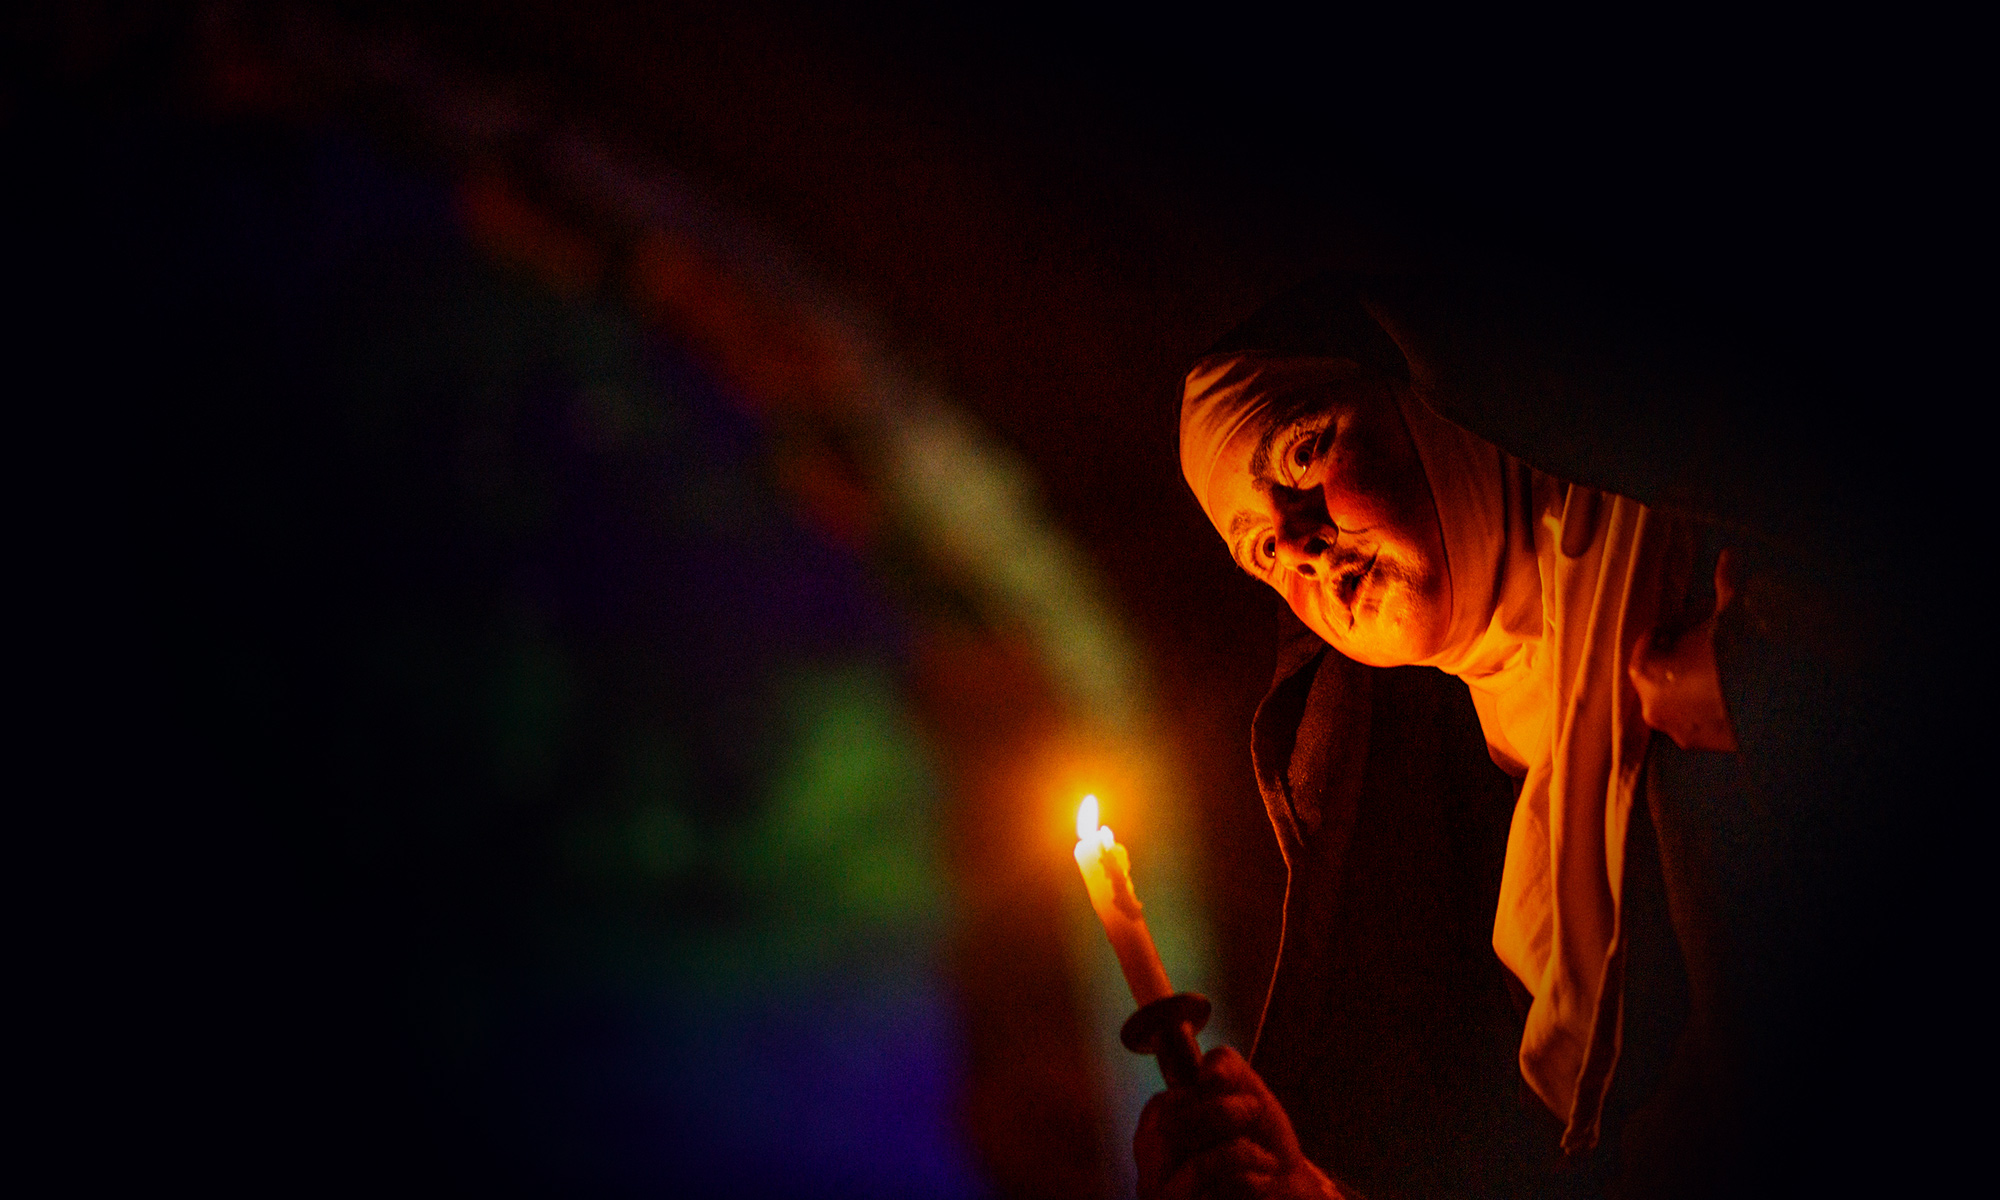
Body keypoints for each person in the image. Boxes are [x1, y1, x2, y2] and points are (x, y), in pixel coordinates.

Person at [1138, 274, 1945, 1199]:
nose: (1297, 541)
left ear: (1438, 404)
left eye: (1305, 452)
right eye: (1260, 551)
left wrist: (1780, 686)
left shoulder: (1731, 519)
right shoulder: (1453, 826)